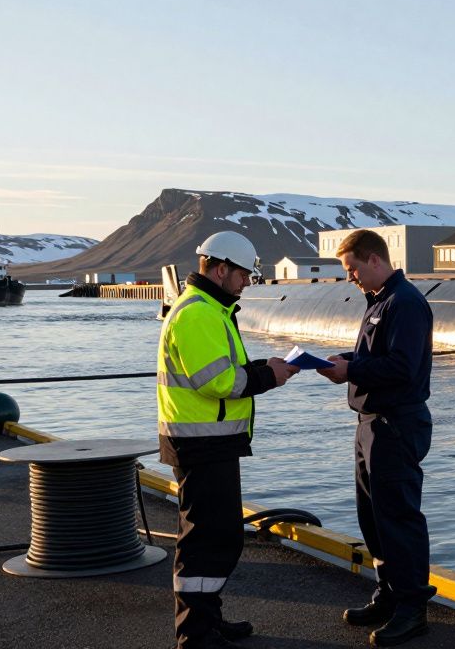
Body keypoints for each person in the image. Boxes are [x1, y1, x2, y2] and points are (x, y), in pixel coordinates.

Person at [157, 231, 300, 649]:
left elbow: (223, 369)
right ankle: (195, 634)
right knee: (207, 541)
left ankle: (207, 619)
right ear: (221, 269)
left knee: (215, 537)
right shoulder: (199, 313)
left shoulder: (211, 310)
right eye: (243, 275)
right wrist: (268, 376)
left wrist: (262, 366)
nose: (247, 283)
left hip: (211, 441)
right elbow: (216, 380)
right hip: (202, 444)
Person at [316, 229, 436, 647]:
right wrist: (347, 362)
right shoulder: (380, 303)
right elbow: (378, 358)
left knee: (399, 517)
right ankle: (389, 593)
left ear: (373, 259)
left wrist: (351, 371)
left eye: (351, 270)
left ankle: (411, 609)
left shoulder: (404, 304)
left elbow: (403, 367)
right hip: (371, 423)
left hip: (396, 424)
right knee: (373, 517)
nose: (350, 279)